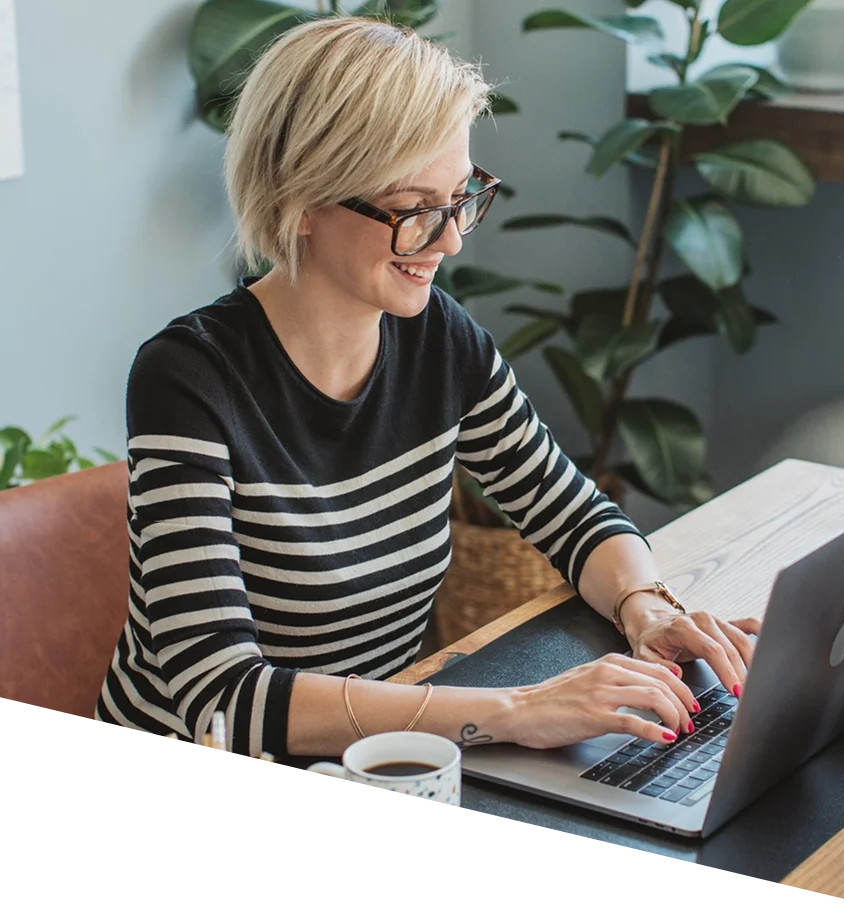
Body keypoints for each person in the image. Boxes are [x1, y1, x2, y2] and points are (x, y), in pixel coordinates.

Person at [95, 16, 761, 760]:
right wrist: (515, 707)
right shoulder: (189, 379)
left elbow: (571, 513)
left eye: (462, 198)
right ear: (304, 200)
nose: (449, 241)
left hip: (378, 756)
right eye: (416, 211)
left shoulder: (437, 337)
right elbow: (220, 696)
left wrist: (645, 606)